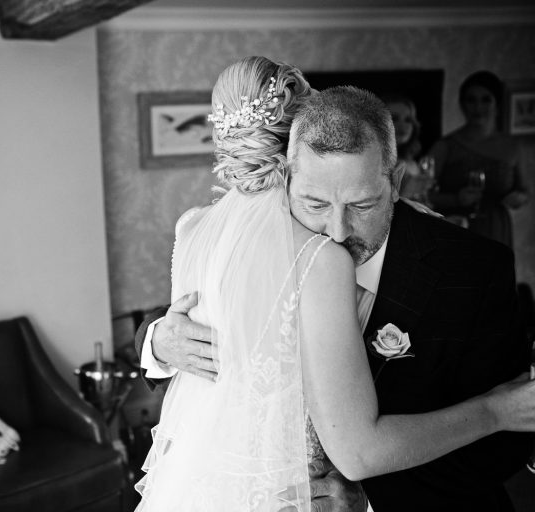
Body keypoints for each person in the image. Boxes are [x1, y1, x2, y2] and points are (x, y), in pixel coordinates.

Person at [136, 58, 534, 512]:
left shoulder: (472, 269)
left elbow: (507, 440)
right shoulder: (260, 243)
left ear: (396, 182)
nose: (338, 231)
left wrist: (370, 498)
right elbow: (192, 319)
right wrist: (156, 340)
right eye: (314, 202)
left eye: (363, 204)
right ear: (286, 177)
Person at [428, 70, 529, 247]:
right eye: (471, 100)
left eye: (485, 99)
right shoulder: (445, 146)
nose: (478, 107)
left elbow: (526, 191)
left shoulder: (513, 147)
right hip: (455, 227)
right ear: (462, 104)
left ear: (497, 104)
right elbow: (422, 194)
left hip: (496, 229)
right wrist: (456, 199)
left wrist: (519, 197)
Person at [382, 93, 435, 204]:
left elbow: (422, 205)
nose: (403, 125)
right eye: (394, 118)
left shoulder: (411, 162)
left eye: (408, 120)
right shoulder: (374, 164)